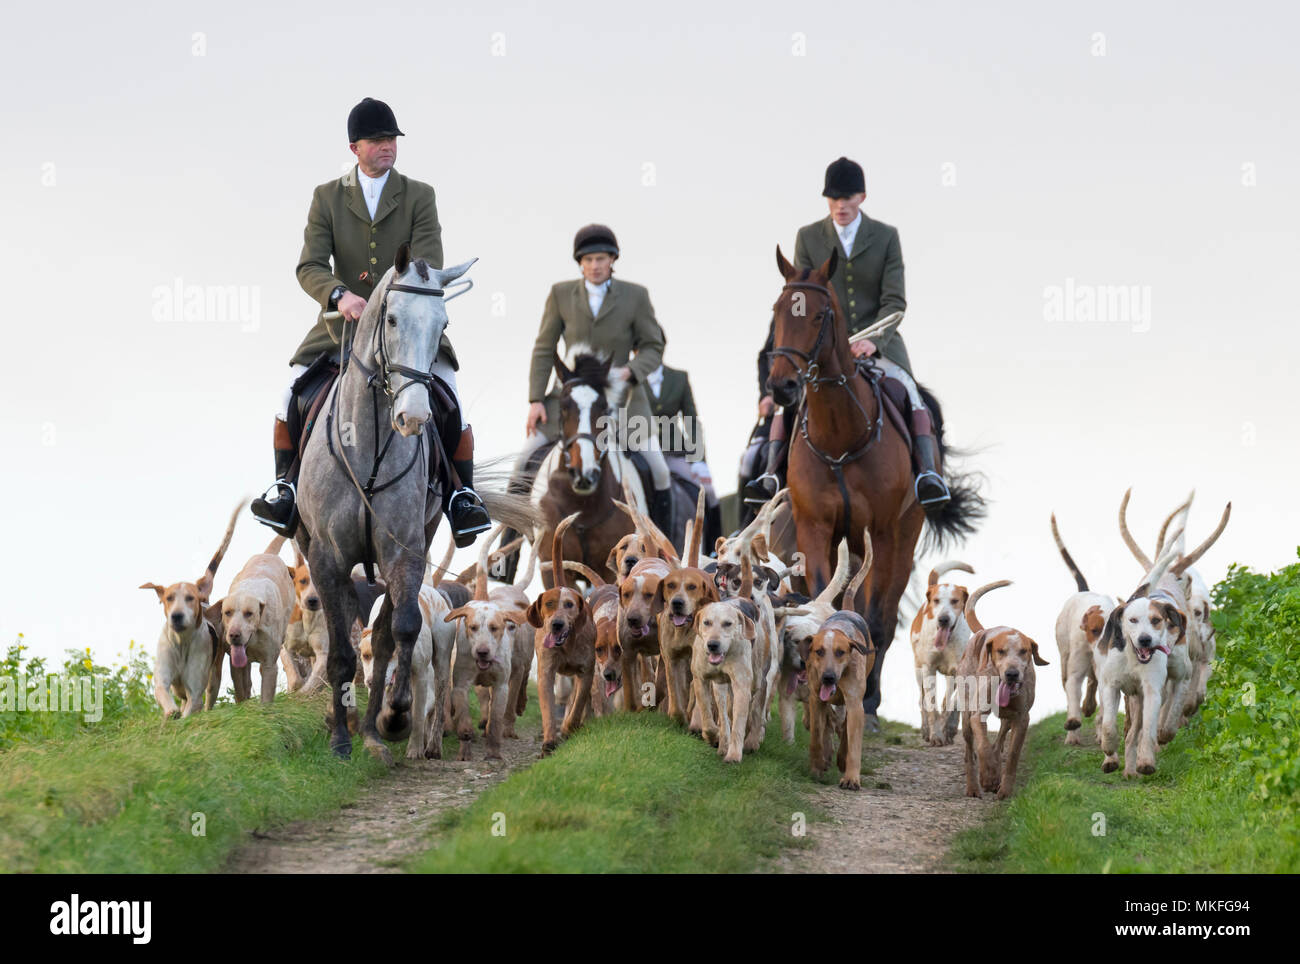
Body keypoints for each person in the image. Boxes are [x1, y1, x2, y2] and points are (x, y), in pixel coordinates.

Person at [250, 97, 490, 545]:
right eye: (378, 141)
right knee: (290, 395)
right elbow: (309, 266)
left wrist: (388, 298)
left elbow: (427, 260)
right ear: (353, 147)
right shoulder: (327, 197)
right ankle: (284, 487)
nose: (388, 147)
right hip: (342, 329)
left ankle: (462, 497)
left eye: (392, 140)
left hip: (410, 328)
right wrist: (340, 295)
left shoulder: (420, 195)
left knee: (450, 396)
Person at [746, 156, 951, 508]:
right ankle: (771, 472)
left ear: (862, 197)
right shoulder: (808, 237)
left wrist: (873, 341)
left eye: (848, 198)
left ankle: (928, 475)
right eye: (834, 199)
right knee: (787, 405)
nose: (841, 205)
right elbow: (800, 294)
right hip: (822, 349)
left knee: (913, 397)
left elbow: (895, 302)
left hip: (880, 345)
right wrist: (797, 330)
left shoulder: (886, 237)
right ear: (827, 200)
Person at [520, 224, 675, 534]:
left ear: (612, 260)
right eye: (588, 260)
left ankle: (662, 548)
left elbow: (653, 346)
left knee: (659, 470)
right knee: (523, 464)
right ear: (579, 263)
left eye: (601, 259)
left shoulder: (636, 296)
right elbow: (544, 347)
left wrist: (631, 371)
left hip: (624, 403)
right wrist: (536, 399)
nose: (594, 266)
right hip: (570, 404)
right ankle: (506, 555)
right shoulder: (560, 294)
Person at [639, 351, 722, 542]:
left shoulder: (679, 378)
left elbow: (691, 421)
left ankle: (715, 549)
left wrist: (698, 459)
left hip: (674, 453)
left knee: (708, 492)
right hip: (643, 453)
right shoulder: (631, 380)